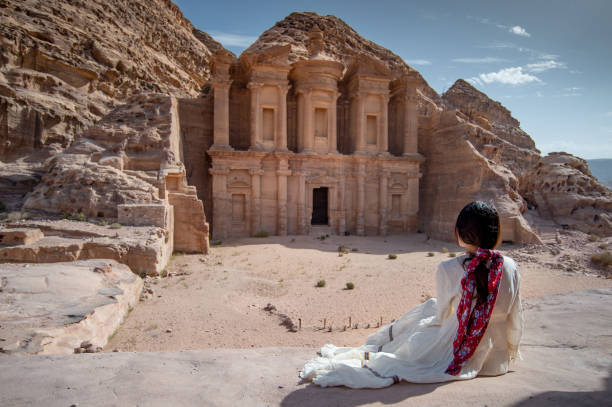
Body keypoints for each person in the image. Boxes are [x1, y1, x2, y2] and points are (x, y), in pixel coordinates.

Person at [300, 201, 523, 388]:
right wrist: (509, 350)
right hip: (497, 360)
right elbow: (515, 315)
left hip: (460, 352)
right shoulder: (511, 266)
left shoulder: (449, 269)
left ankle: (381, 346)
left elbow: (443, 316)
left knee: (422, 318)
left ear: (462, 233)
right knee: (428, 309)